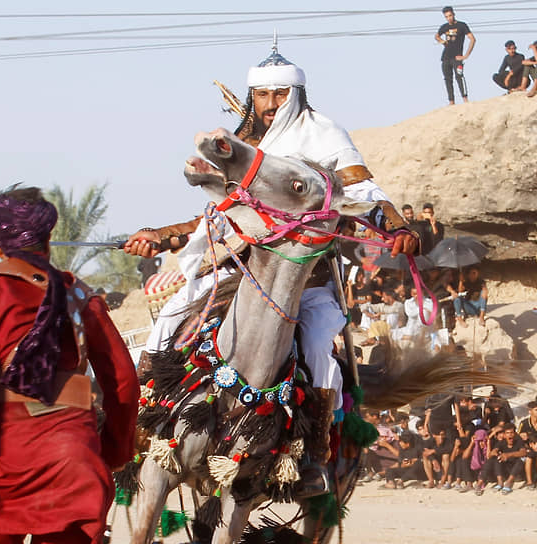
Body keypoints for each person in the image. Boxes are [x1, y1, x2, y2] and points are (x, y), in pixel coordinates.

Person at [124, 44, 421, 434]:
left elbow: (362, 189)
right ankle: (141, 420)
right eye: (262, 94)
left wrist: (396, 227)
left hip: (305, 276)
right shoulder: (243, 143)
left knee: (316, 346)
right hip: (240, 266)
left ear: (296, 94)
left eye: (280, 94)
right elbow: (218, 213)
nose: (271, 102)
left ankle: (316, 445)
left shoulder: (321, 133)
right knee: (170, 318)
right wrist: (160, 236)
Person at [0, 187, 139, 544]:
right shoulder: (82, 295)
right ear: (48, 238)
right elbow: (123, 381)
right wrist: (114, 448)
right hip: (72, 460)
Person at [435, 6, 475, 105]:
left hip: (457, 57)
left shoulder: (462, 25)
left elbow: (472, 39)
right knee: (448, 79)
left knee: (459, 76)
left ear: (454, 14)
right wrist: (442, 42)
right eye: (446, 16)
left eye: (450, 15)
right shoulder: (444, 27)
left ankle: (465, 99)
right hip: (446, 57)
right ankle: (451, 101)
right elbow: (436, 36)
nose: (449, 18)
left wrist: (466, 55)